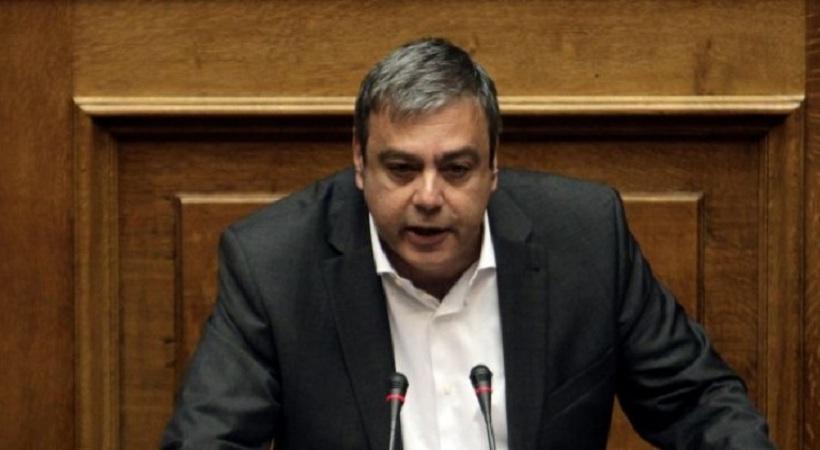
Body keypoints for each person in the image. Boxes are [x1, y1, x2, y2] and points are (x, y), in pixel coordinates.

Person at [161, 38, 774, 449]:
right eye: (402, 169)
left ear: (493, 167)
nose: (428, 197)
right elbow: (208, 440)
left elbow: (699, 403)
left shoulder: (585, 239)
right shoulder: (273, 264)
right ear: (360, 163)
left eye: (456, 169)